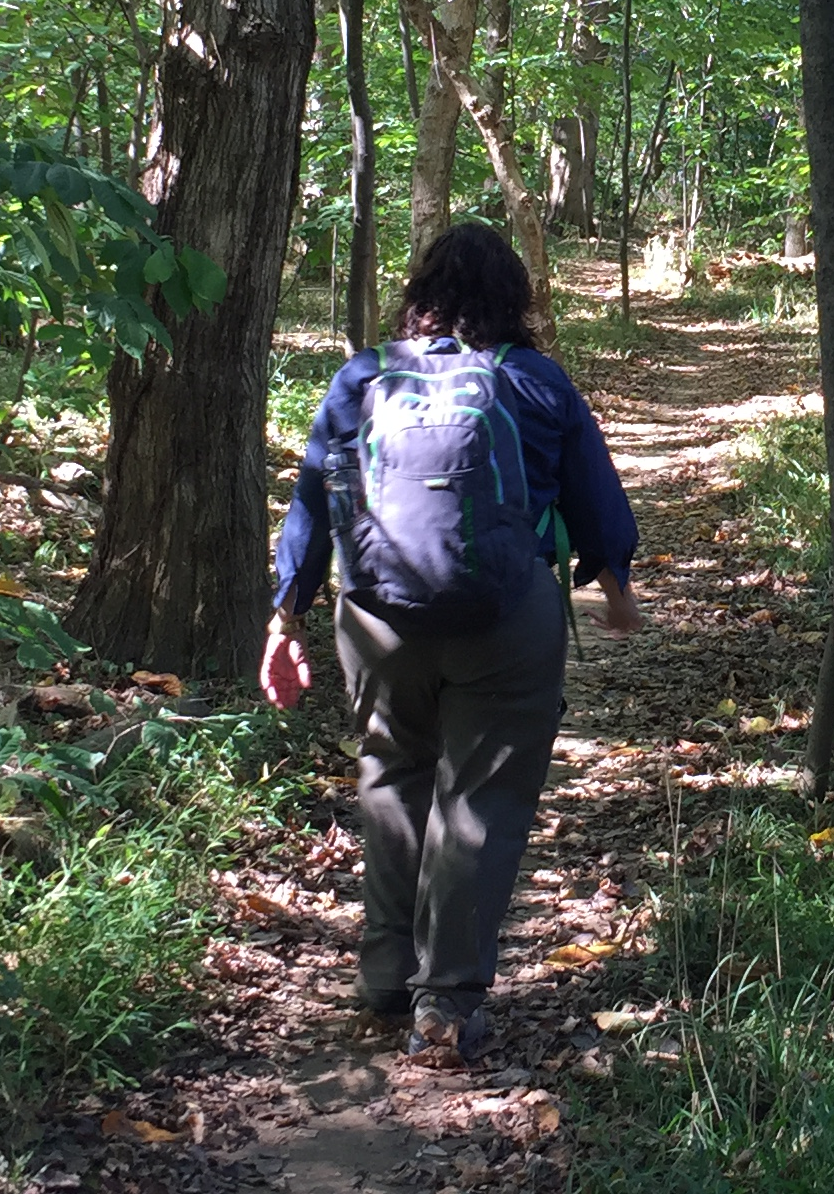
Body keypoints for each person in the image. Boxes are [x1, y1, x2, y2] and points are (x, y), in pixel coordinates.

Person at [262, 223, 641, 1065]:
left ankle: (385, 975)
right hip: (506, 622)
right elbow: (595, 499)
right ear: (516, 299)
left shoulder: (365, 376)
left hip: (376, 622)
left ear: (420, 291)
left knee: (392, 776)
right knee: (481, 802)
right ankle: (448, 1000)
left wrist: (284, 617)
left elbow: (314, 501)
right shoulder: (539, 383)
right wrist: (615, 589)